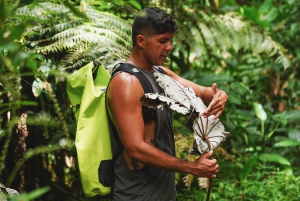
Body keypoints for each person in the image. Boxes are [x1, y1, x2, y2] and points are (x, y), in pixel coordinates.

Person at [106, 7, 228, 201]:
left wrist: (219, 97)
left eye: (170, 40)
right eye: (162, 41)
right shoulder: (126, 82)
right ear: (141, 41)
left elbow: (205, 93)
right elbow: (135, 148)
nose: (170, 47)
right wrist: (191, 167)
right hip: (136, 196)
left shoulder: (161, 74)